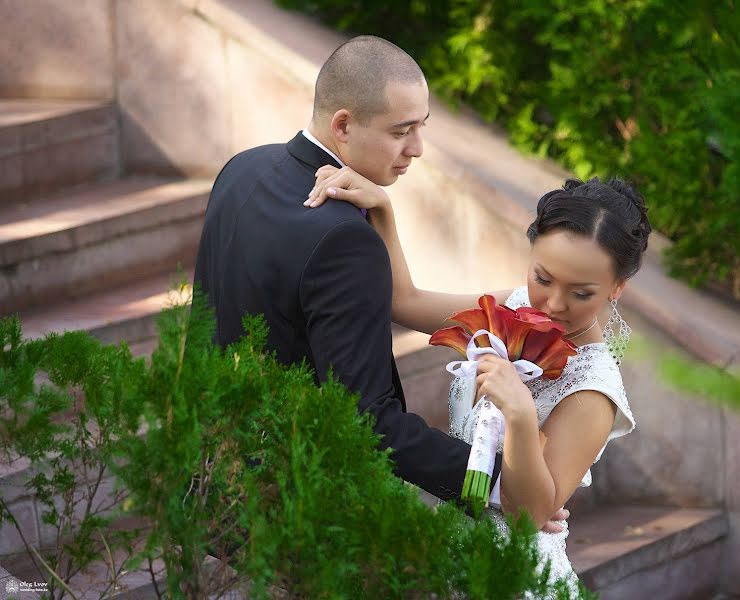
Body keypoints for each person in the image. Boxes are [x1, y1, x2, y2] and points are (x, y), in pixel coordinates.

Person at [194, 35, 510, 505]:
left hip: (214, 479)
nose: (418, 148)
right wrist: (496, 484)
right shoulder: (344, 241)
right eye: (401, 131)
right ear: (343, 125)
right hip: (299, 502)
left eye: (422, 127)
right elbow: (369, 421)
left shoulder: (242, 168)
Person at [307, 169, 651, 596]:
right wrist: (382, 210)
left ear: (617, 287)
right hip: (451, 560)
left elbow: (528, 517)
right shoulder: (516, 310)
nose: (554, 304)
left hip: (515, 580)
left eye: (582, 293)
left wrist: (522, 415)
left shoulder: (594, 389)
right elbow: (406, 303)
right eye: (543, 278)